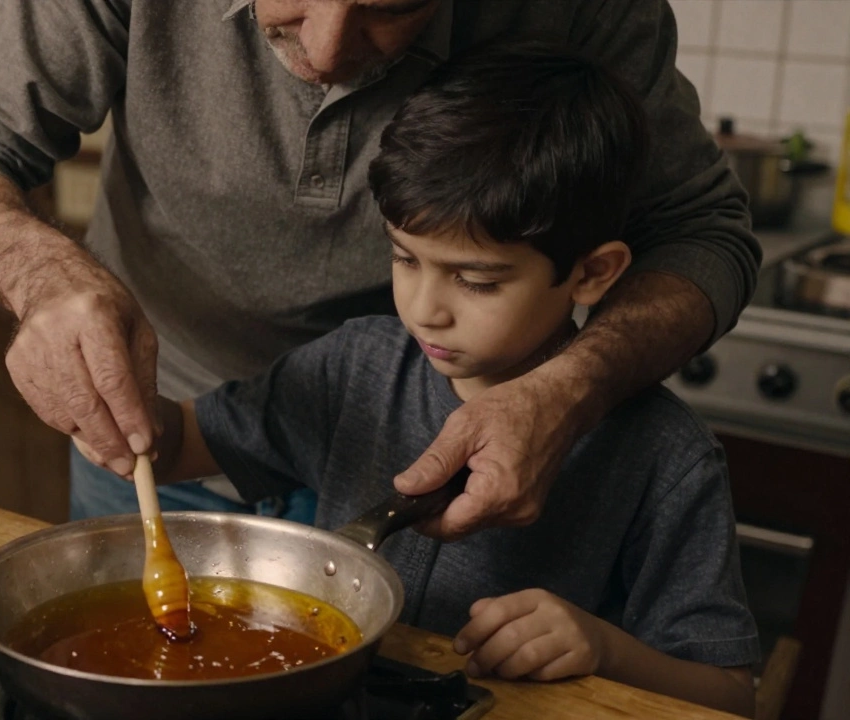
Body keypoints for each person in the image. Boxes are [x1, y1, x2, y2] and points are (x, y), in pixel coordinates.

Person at [0, 0, 760, 534]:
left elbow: (703, 231)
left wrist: (572, 391)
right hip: (175, 444)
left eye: (392, 5)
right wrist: (42, 276)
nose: (332, 47)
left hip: (426, 473)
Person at [73, 45, 759, 716]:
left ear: (593, 273)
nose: (425, 308)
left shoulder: (666, 456)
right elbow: (187, 441)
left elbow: (728, 692)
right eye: (405, 258)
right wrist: (124, 413)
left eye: (475, 279)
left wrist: (603, 649)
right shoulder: (357, 365)